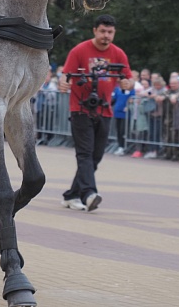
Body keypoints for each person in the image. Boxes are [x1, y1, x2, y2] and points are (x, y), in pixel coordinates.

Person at [60, 15, 130, 212]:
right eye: (102, 31)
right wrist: (64, 82)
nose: (106, 36)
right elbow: (66, 73)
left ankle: (71, 194)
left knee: (95, 156)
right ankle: (89, 194)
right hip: (81, 109)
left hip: (105, 110)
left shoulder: (118, 54)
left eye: (110, 32)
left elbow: (128, 78)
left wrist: (127, 83)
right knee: (85, 154)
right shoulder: (79, 50)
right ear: (94, 31)